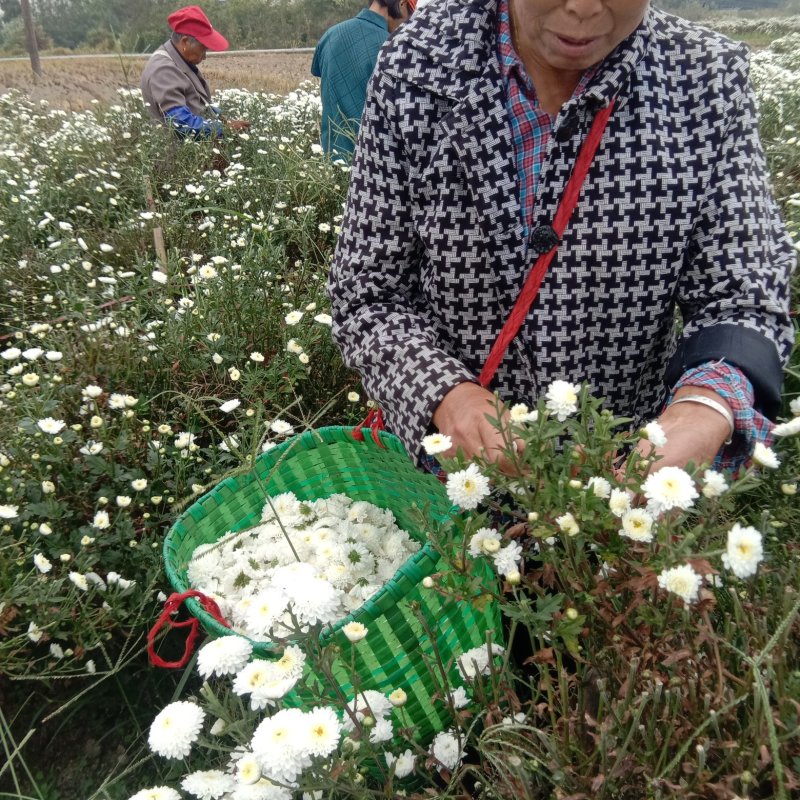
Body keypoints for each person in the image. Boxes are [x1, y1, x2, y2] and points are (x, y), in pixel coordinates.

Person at [329, 0, 795, 475]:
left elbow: (743, 295)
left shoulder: (704, 79)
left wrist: (705, 407)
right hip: (459, 484)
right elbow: (367, 293)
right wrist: (449, 396)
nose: (583, 8)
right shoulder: (418, 64)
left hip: (627, 481)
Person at [311, 0, 414, 158]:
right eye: (410, 13)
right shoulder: (394, 47)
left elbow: (319, 73)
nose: (408, 22)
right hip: (373, 167)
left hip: (331, 159)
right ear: (401, 4)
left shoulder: (330, 36)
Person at [141, 5, 250, 139]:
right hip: (179, 157)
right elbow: (181, 124)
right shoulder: (164, 70)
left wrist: (222, 118)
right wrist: (224, 129)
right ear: (185, 42)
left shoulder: (180, 61)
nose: (204, 56)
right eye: (203, 49)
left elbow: (198, 102)